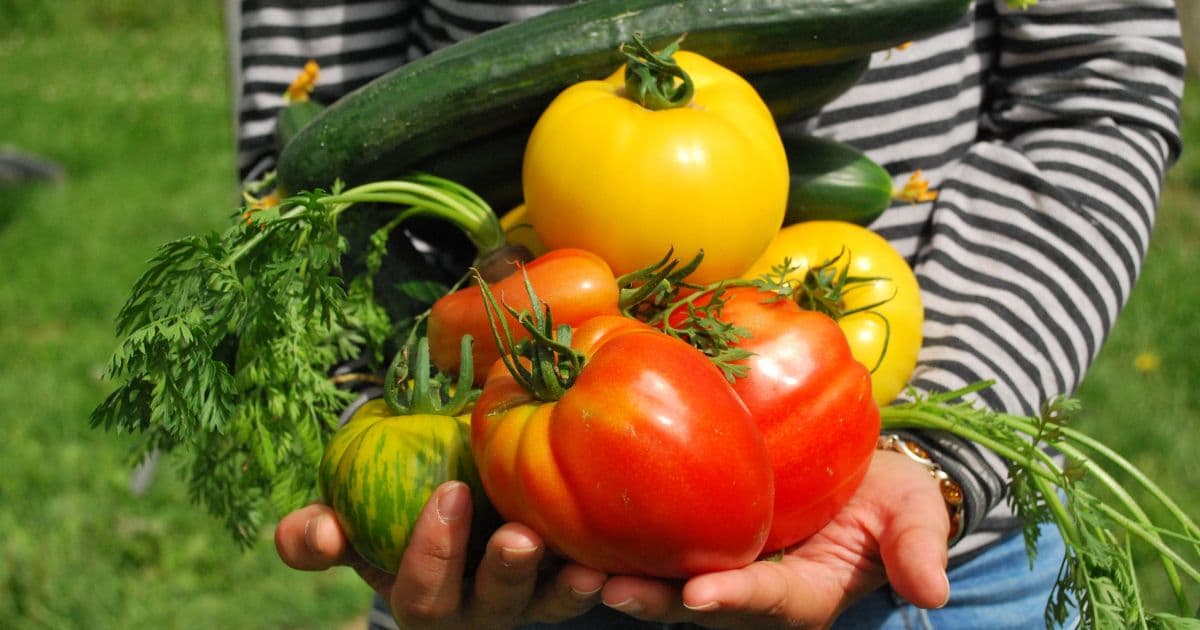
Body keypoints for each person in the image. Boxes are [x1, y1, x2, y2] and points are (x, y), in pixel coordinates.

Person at [230, 0, 1187, 627]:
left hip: (932, 551)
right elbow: (312, 164)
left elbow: (1094, 91)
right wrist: (383, 435)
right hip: (504, 525)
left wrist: (940, 453)